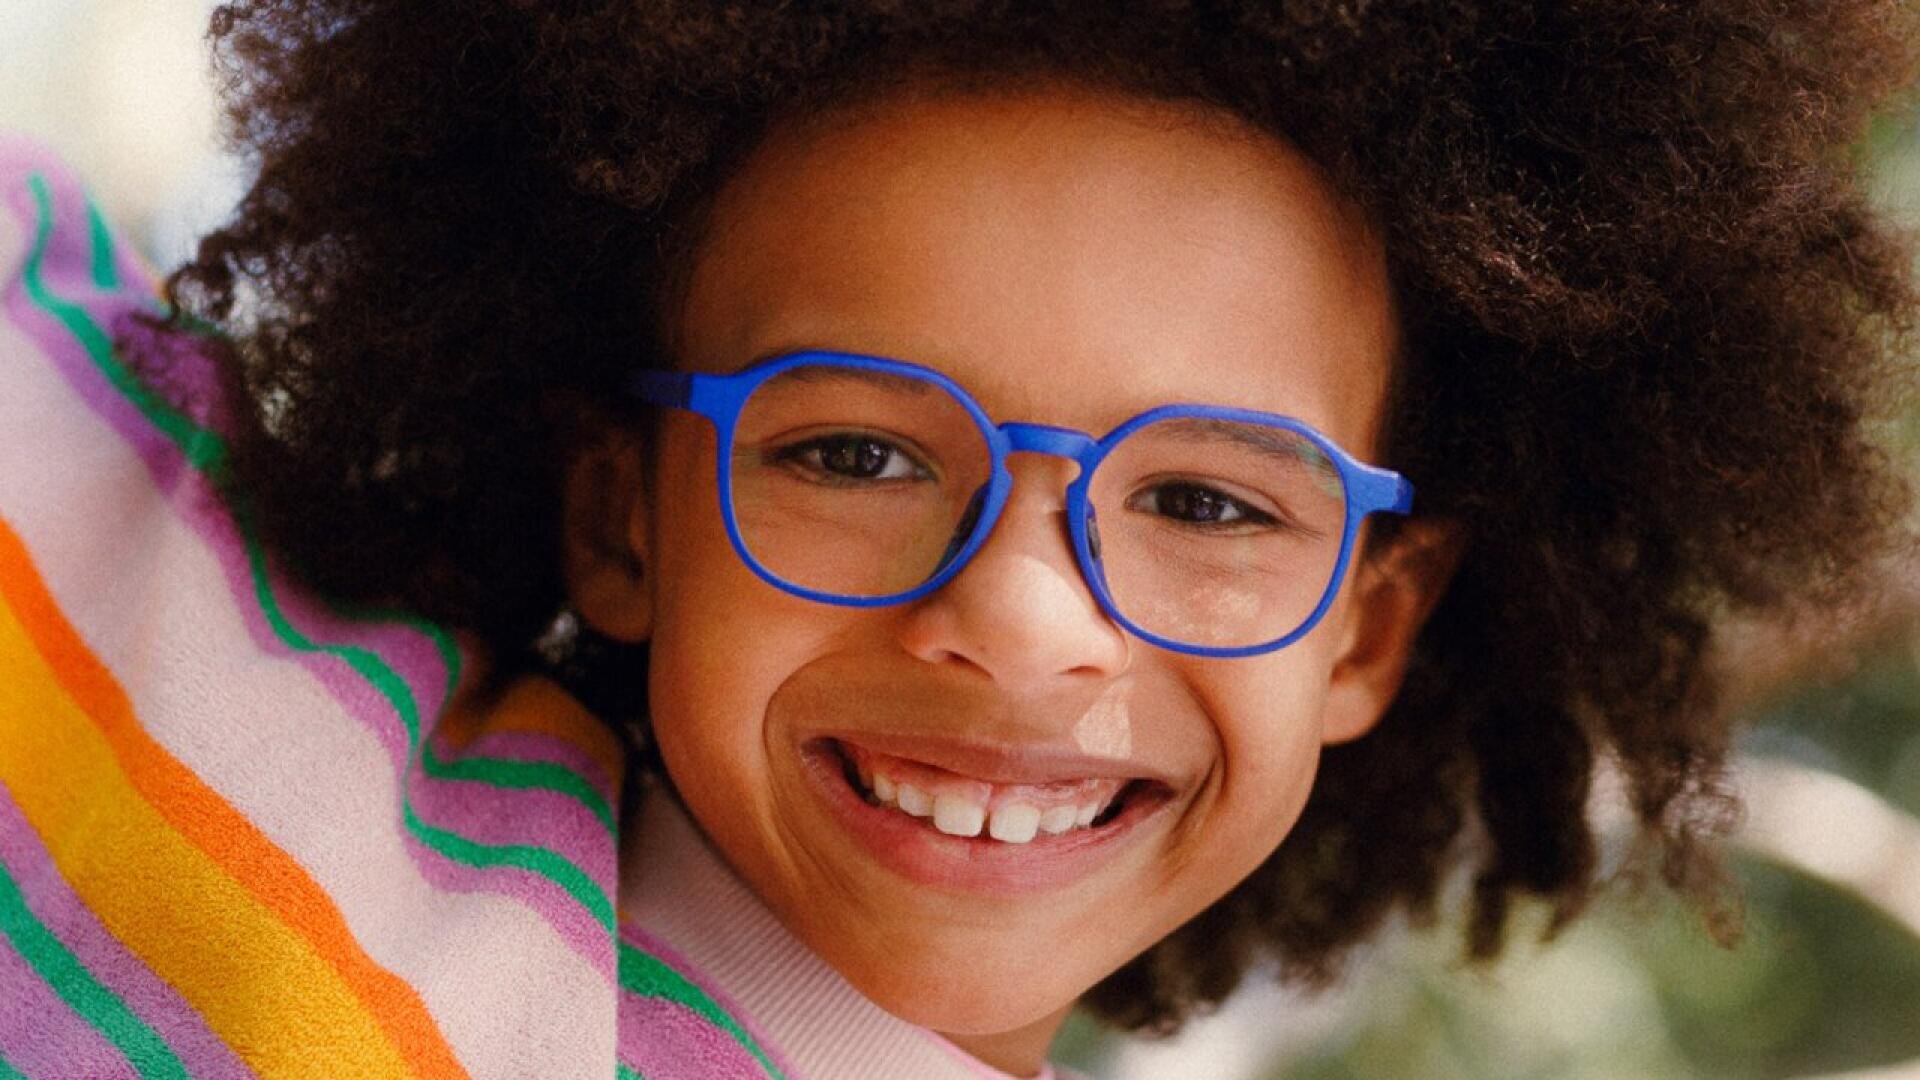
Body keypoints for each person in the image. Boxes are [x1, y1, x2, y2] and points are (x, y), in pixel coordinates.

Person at [2, 3, 1916, 1077]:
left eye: (1206, 501)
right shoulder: (214, 723)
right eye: (851, 451)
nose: (1019, 618)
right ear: (620, 510)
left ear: (1366, 631)